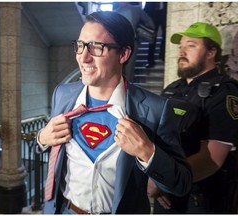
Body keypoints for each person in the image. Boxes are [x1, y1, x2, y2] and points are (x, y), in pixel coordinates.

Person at [37, 11, 192, 214]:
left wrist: (147, 151)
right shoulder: (63, 94)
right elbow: (50, 146)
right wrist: (42, 138)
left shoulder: (155, 109)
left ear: (123, 54)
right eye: (81, 45)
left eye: (96, 47)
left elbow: (181, 183)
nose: (83, 57)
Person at [148, 22, 238, 213]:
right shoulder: (172, 89)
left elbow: (212, 159)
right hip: (165, 198)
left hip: (200, 202)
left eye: (191, 45)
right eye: (181, 47)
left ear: (211, 52)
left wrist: (164, 180)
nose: (182, 52)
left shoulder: (224, 92)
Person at [114, 2, 155, 82]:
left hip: (132, 43)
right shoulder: (115, 12)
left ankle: (128, 91)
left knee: (129, 70)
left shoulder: (136, 10)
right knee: (118, 69)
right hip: (118, 44)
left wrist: (148, 30)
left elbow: (148, 21)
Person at [144, 2, 167, 68]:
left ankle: (162, 55)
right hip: (153, 14)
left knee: (165, 35)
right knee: (152, 38)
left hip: (164, 14)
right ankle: (150, 61)